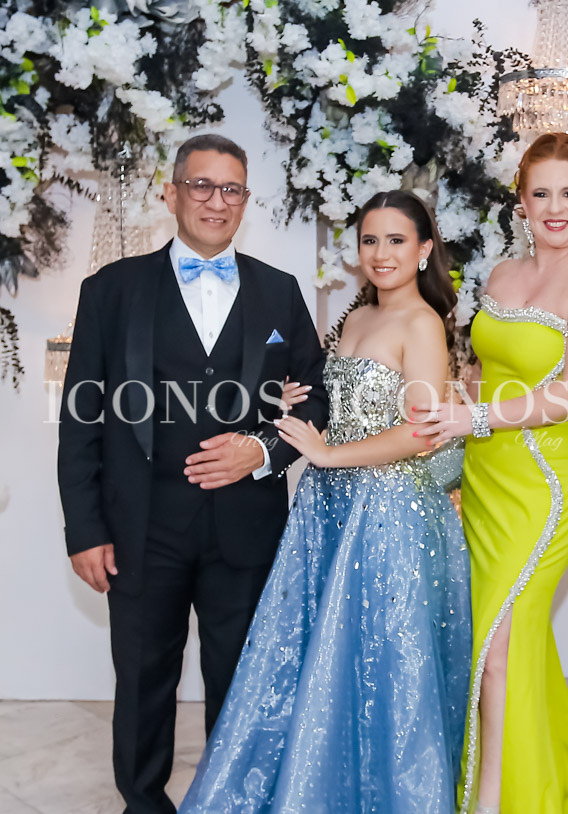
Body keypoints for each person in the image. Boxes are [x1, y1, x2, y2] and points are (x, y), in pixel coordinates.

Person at [57, 134, 328, 814]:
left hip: (247, 527)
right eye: (202, 185)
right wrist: (84, 529)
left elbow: (317, 397)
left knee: (242, 681)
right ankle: (143, 803)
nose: (216, 201)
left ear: (245, 200)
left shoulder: (279, 291)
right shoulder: (110, 290)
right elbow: (81, 418)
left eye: (231, 188)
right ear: (171, 193)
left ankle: (232, 801)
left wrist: (262, 450)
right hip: (140, 526)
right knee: (142, 680)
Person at [177, 190, 472, 813]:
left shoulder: (421, 323)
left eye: (397, 240)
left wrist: (330, 454)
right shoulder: (356, 318)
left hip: (386, 514)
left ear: (424, 250)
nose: (381, 253)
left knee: (379, 663)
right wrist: (293, 403)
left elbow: (422, 432)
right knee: (323, 659)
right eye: (370, 240)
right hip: (328, 510)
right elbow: (337, 403)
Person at [418, 133, 568, 814]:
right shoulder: (501, 278)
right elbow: (482, 371)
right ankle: (520, 781)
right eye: (540, 193)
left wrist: (476, 418)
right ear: (520, 201)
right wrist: (449, 412)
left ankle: (490, 805)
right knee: (497, 639)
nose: (555, 207)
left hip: (545, 483)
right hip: (485, 475)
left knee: (499, 646)